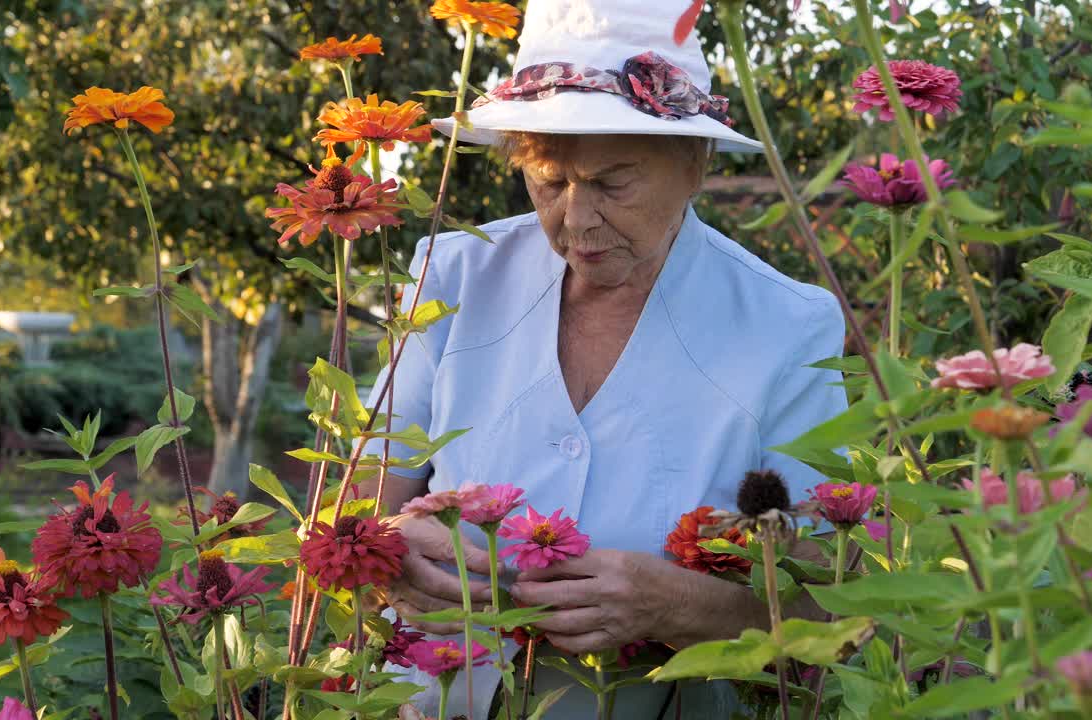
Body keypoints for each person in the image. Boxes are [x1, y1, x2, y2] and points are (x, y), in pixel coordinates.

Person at [361, 1, 849, 717]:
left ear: (695, 164)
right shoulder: (455, 273)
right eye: (549, 181)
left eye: (614, 183)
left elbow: (827, 604)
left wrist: (677, 604)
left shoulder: (787, 325)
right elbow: (359, 505)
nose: (576, 220)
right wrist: (389, 549)